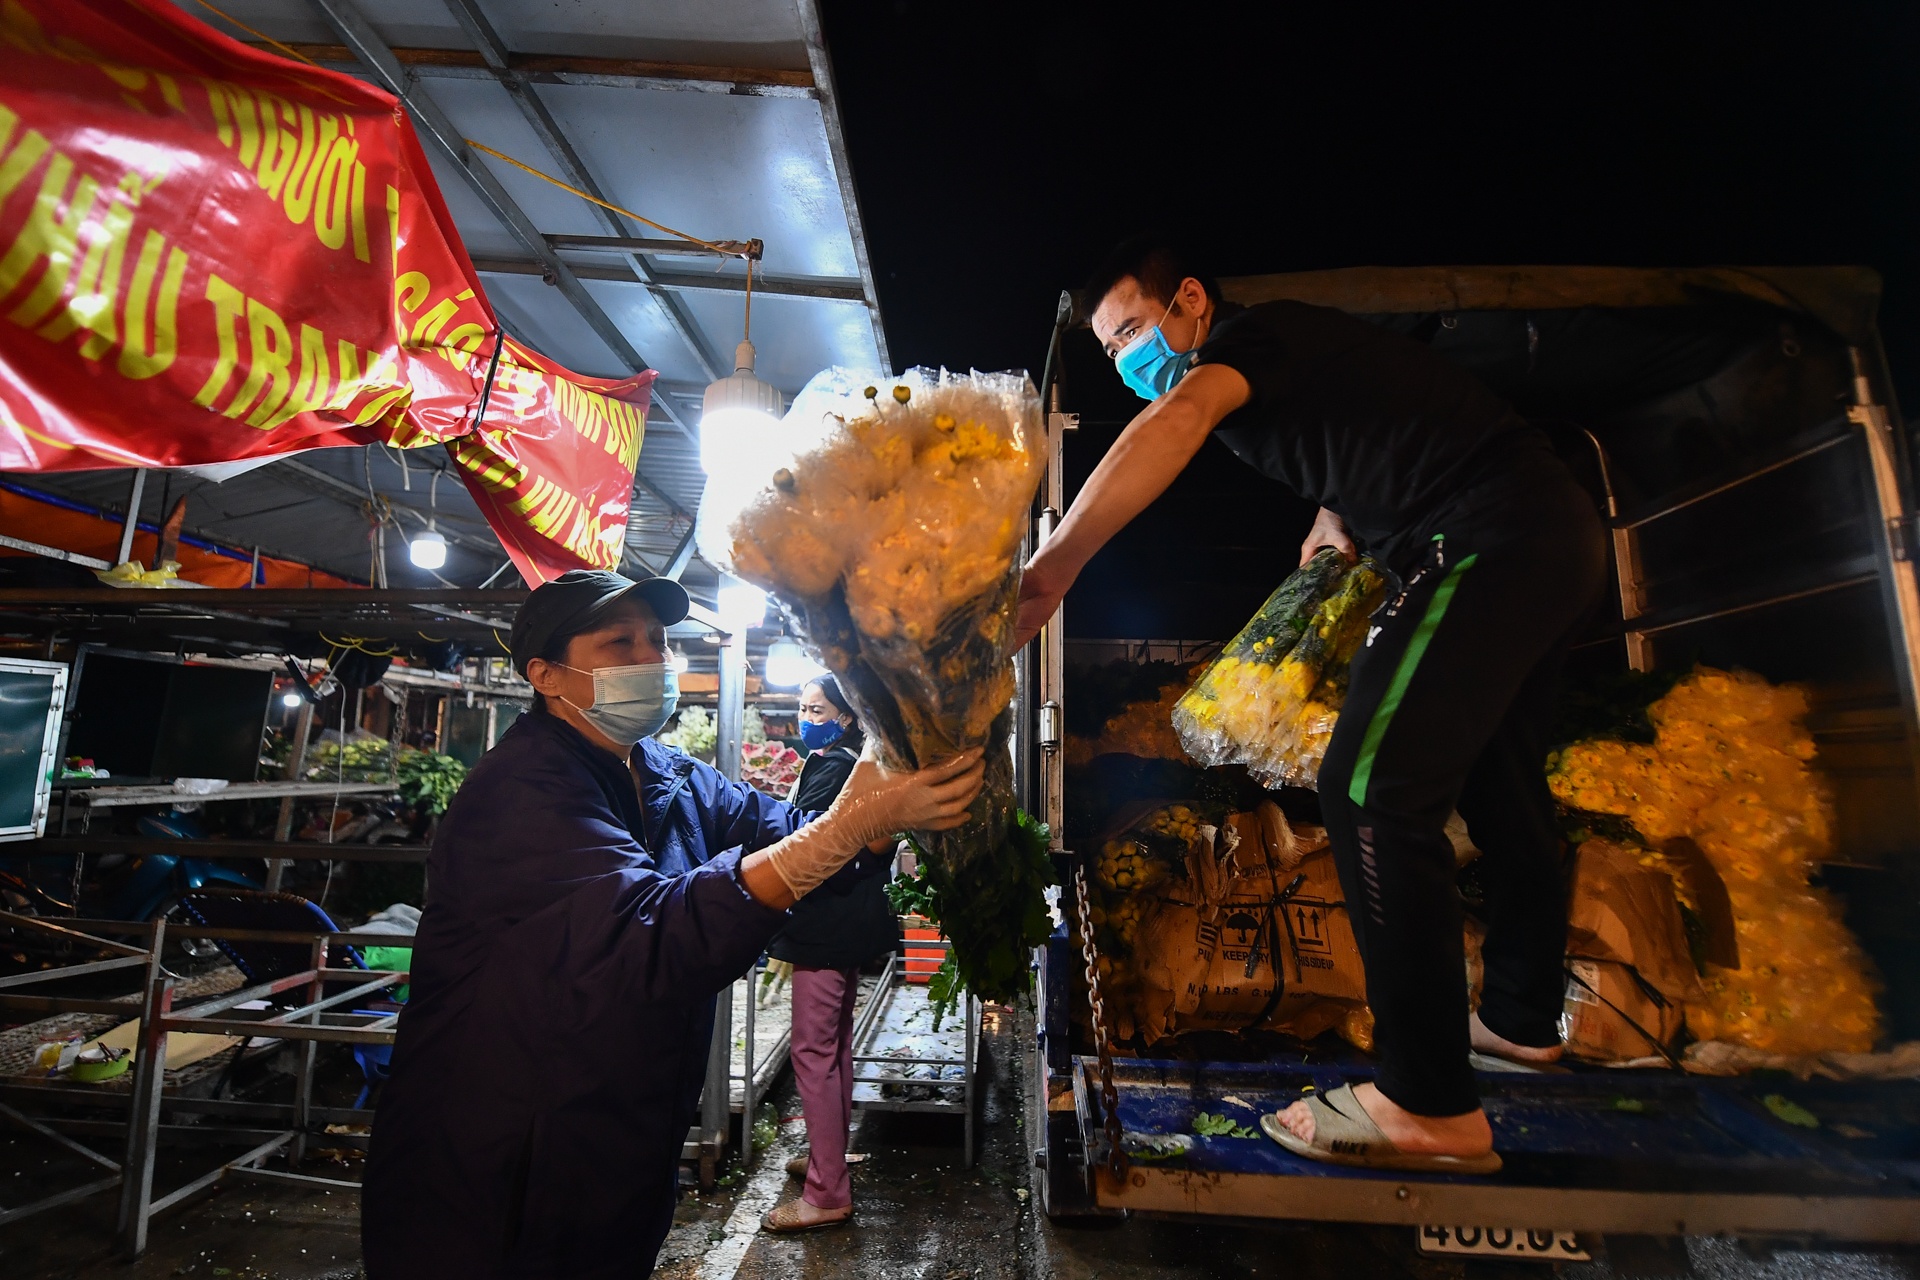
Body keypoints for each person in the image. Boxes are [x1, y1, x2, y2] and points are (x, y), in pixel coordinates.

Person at [1011, 239, 1605, 1174]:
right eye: (1112, 346)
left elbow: (1177, 421)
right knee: (1502, 784)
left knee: (1369, 788)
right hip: (1549, 531)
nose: (1129, 359)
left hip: (1483, 536)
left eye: (1131, 329)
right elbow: (1375, 432)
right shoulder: (1300, 357)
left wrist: (1054, 569)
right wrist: (1335, 515)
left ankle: (1427, 1101)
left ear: (1191, 301)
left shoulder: (1246, 345)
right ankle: (1523, 1021)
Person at [362, 570, 985, 1278]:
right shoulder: (519, 794)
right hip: (503, 1160)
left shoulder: (667, 775)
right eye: (619, 642)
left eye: (657, 640)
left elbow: (793, 834)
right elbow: (656, 935)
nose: (652, 659)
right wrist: (847, 828)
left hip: (617, 1141)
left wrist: (891, 754)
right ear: (546, 674)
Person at [760, 674, 898, 1233]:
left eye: (814, 706)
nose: (803, 714)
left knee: (812, 1055)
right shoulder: (860, 762)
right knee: (834, 1048)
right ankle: (829, 1158)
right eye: (800, 705)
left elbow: (812, 843)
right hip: (853, 926)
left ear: (844, 714)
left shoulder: (832, 766)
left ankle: (826, 1193)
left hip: (825, 928)